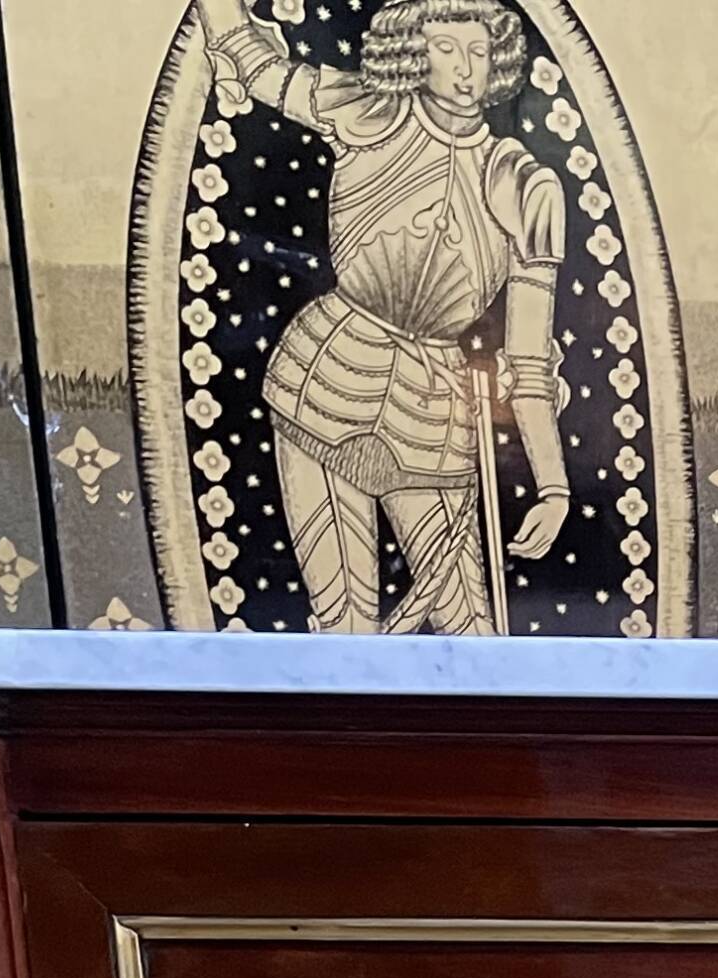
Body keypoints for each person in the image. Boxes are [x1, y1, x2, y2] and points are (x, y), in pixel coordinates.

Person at [190, 0, 569, 632]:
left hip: (435, 411)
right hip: (323, 380)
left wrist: (553, 486)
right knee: (344, 625)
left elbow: (528, 359)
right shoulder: (367, 111)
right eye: (447, 50)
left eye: (477, 52)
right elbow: (258, 67)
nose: (464, 70)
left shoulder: (526, 184)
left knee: (469, 630)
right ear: (414, 52)